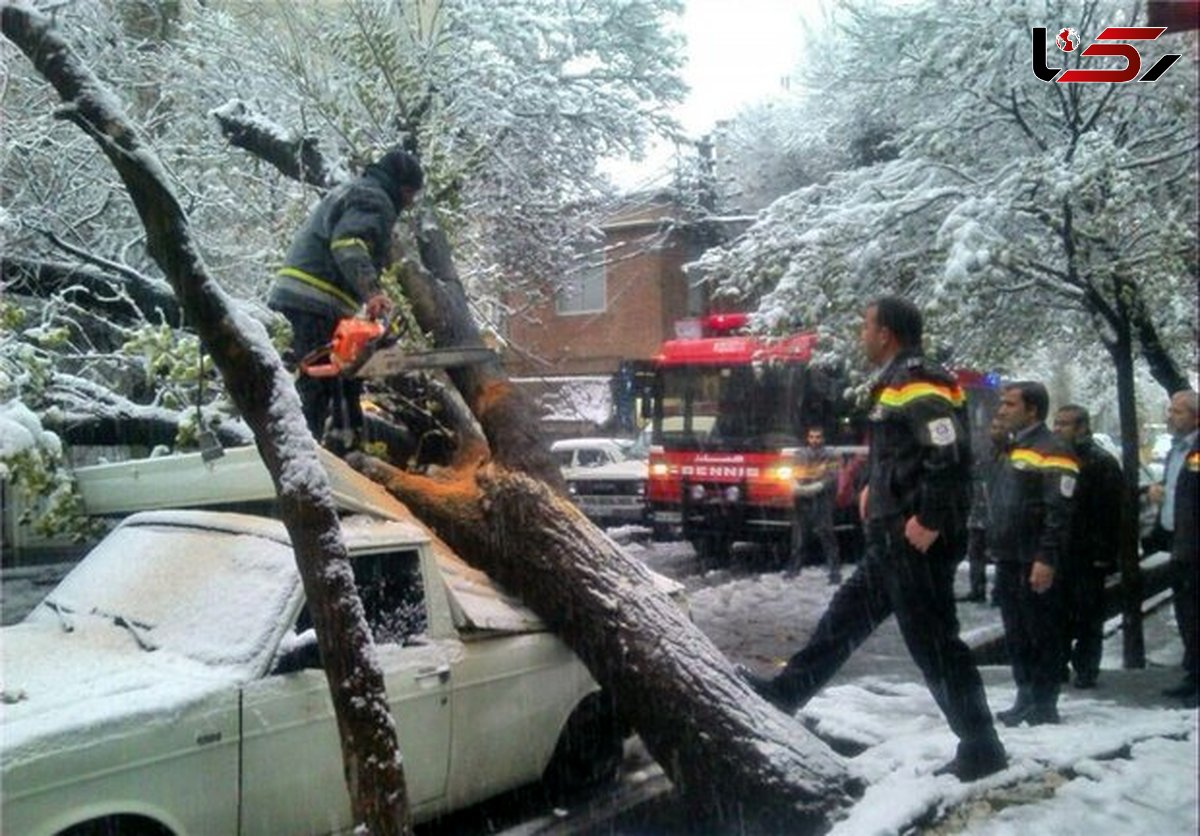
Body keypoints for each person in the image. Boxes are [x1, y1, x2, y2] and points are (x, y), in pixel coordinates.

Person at [742, 296, 1007, 782]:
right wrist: (871, 490)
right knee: (840, 623)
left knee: (936, 647)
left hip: (913, 546)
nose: (861, 334)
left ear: (886, 332)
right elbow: (902, 455)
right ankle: (785, 694)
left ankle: (981, 745)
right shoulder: (897, 381)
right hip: (891, 543)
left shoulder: (918, 379)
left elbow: (948, 453)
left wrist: (928, 518)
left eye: (866, 326)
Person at [269, 147, 424, 451]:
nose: (410, 201)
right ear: (403, 187)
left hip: (312, 297)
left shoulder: (357, 190)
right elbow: (349, 244)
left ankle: (338, 451)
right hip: (313, 297)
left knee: (338, 380)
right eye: (411, 193)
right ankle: (305, 461)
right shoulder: (375, 199)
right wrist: (373, 293)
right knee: (318, 384)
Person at [990, 381, 1077, 726]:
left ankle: (1044, 703)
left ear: (1032, 411)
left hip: (1035, 558)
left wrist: (1047, 557)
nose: (1001, 410)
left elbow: (1059, 510)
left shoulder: (1053, 449)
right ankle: (1025, 695)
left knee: (1043, 631)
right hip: (1010, 555)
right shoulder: (1012, 448)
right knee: (1017, 632)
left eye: (1010, 404)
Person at [1052, 404, 1122, 689]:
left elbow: (1111, 512)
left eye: (1064, 424)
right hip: (1059, 551)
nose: (1057, 430)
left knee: (1088, 616)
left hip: (1088, 553)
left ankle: (1086, 668)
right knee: (1057, 614)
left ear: (1082, 427)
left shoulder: (1101, 462)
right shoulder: (1055, 458)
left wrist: (1104, 554)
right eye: (1055, 424)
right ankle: (1057, 665)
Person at [1153, 391, 1198, 705]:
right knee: (1187, 614)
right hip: (1178, 542)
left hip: (1195, 546)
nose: (1171, 416)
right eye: (1170, 410)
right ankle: (1193, 673)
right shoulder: (1176, 451)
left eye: (1178, 412)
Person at [959, 416, 1010, 604]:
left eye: (1000, 427)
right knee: (975, 551)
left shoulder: (1012, 454)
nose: (995, 431)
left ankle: (1000, 592)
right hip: (980, 510)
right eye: (994, 427)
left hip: (1000, 512)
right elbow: (976, 476)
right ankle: (977, 589)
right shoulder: (985, 452)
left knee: (1000, 555)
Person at [789, 426, 842, 584]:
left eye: (818, 437)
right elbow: (794, 473)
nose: (814, 440)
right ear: (807, 438)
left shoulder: (831, 455)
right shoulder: (799, 455)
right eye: (811, 437)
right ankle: (794, 568)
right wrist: (797, 485)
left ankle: (834, 571)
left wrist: (817, 485)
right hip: (802, 497)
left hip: (822, 497)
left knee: (826, 533)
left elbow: (832, 477)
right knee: (799, 534)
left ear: (823, 439)